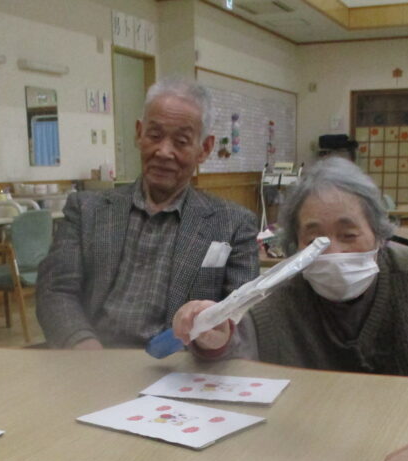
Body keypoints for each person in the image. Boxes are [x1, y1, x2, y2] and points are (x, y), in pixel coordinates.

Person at [172, 157, 408, 392]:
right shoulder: (279, 294)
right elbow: (231, 366)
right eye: (315, 240)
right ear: (294, 245)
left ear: (379, 235)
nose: (333, 252)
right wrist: (213, 339)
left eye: (349, 235)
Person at [36, 78, 259, 350]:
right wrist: (83, 345)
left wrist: (217, 339)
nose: (163, 152)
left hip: (180, 364)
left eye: (181, 141)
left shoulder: (233, 224)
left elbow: (242, 317)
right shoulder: (85, 210)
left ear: (205, 148)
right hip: (91, 358)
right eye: (154, 136)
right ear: (139, 133)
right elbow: (55, 292)